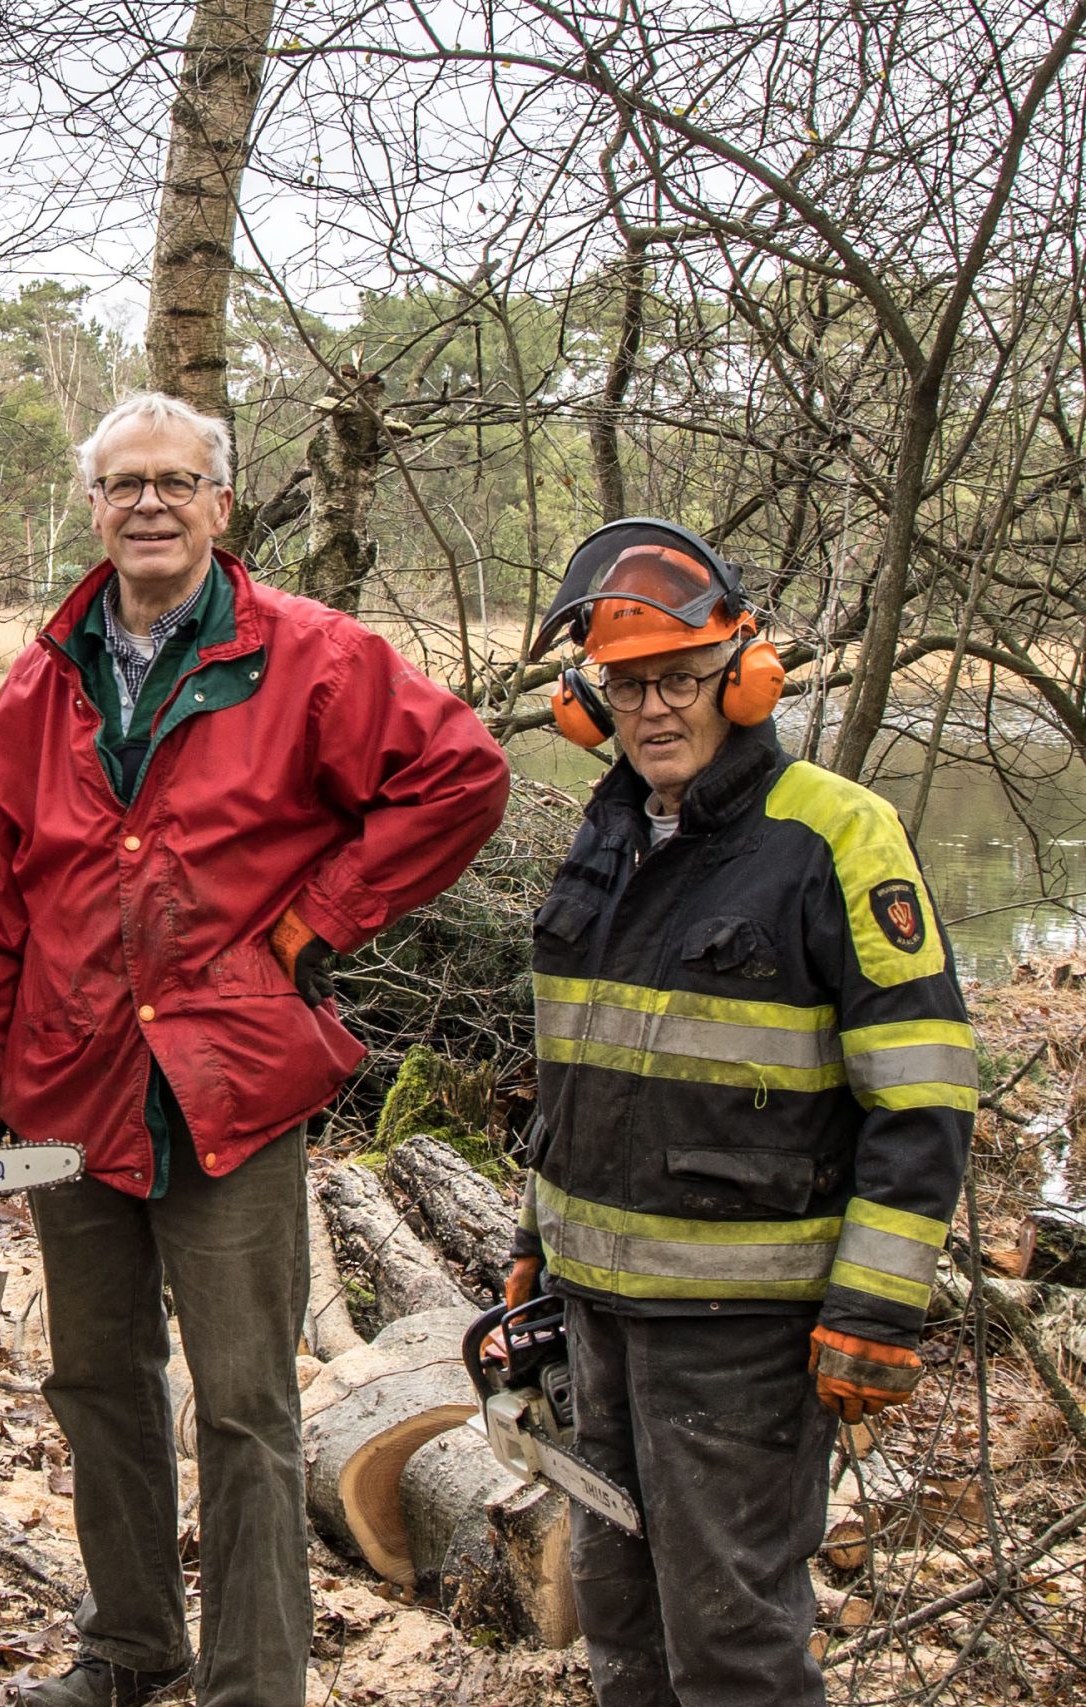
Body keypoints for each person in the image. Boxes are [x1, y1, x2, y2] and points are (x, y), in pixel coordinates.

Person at [0, 392, 510, 1706]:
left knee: (248, 1401)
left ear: (220, 504)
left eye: (175, 481)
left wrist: (318, 920)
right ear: (93, 506)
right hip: (70, 1083)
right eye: (123, 483)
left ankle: (255, 1683)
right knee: (97, 1379)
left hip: (231, 1086)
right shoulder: (43, 678)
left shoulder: (311, 655)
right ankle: (132, 1646)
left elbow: (461, 774)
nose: (148, 503)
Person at [510, 518, 975, 1706]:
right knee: (620, 1627)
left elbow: (923, 1091)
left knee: (732, 1645)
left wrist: (875, 1309)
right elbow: (581, 1073)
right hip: (598, 1310)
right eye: (627, 687)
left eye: (679, 679)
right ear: (590, 702)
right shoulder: (603, 835)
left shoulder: (833, 834)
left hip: (742, 1329)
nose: (653, 710)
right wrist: (532, 1243)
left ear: (744, 677)